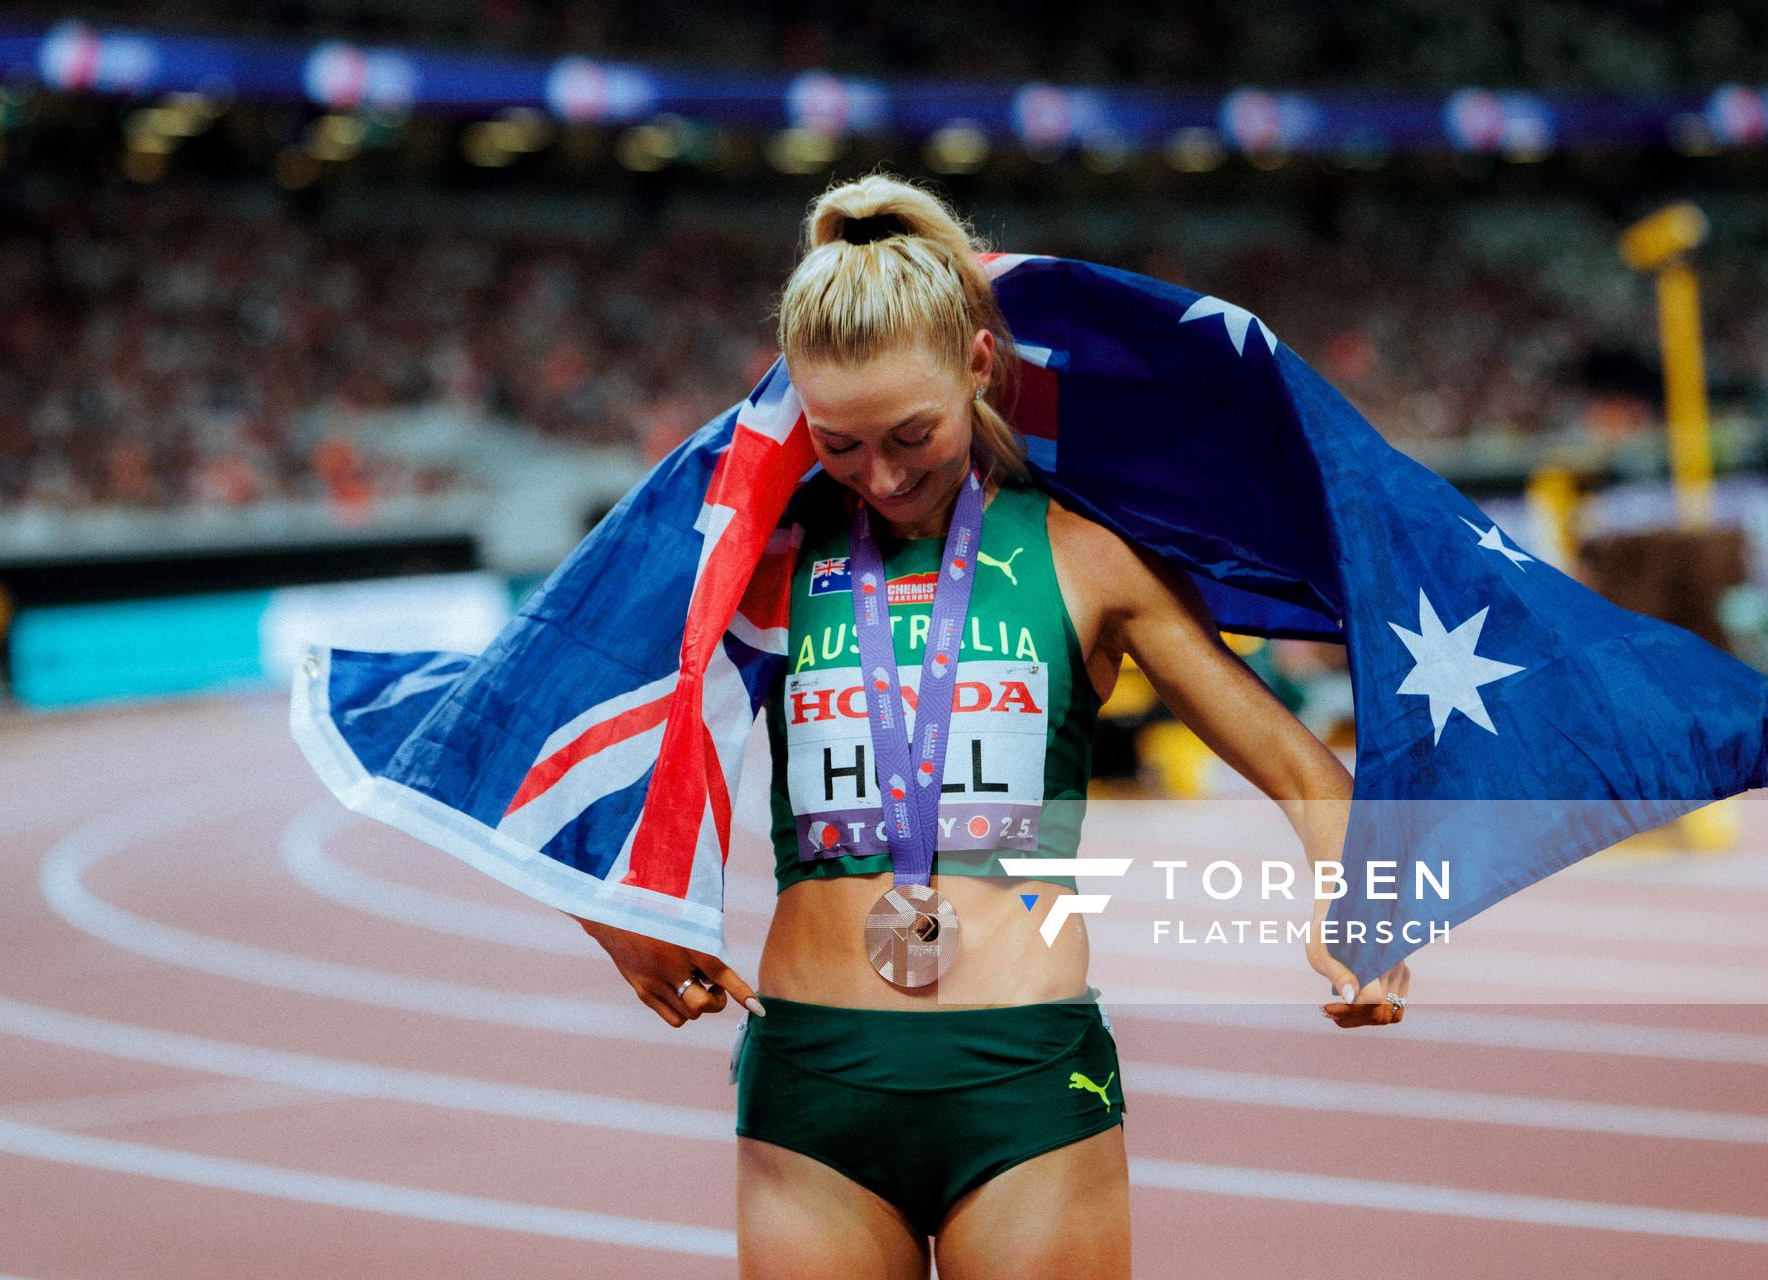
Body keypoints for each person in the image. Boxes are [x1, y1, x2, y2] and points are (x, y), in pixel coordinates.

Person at [571, 172, 1412, 1280]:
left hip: (1022, 1083)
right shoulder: (756, 553)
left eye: (911, 433)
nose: (881, 476)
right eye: (838, 446)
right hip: (811, 1082)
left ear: (977, 363)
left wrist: (1367, 904)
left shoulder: (1088, 556)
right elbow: (570, 700)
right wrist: (605, 905)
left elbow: (1311, 773)